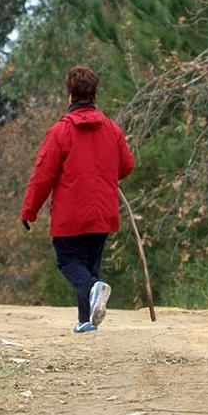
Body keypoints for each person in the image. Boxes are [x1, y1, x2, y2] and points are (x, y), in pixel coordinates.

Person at [21, 66, 135, 334]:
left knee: (68, 261)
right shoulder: (112, 129)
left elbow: (43, 176)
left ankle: (90, 300)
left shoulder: (61, 132)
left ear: (70, 95)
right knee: (90, 266)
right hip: (103, 212)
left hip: (71, 214)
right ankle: (86, 321)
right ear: (94, 94)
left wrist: (29, 211)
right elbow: (127, 166)